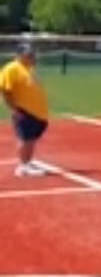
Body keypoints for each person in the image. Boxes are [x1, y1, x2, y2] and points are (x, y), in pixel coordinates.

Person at [2, 41, 49, 178]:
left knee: (31, 139)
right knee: (26, 138)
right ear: (19, 55)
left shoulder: (29, 68)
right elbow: (5, 90)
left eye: (32, 54)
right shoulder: (12, 68)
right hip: (24, 110)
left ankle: (27, 162)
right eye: (28, 55)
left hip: (36, 112)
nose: (32, 56)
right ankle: (23, 167)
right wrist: (14, 109)